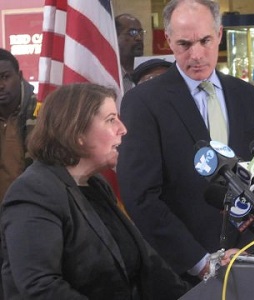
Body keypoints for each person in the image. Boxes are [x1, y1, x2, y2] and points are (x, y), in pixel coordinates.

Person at [117, 0, 254, 284]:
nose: (196, 54)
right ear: (168, 41)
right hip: (182, 274)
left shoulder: (246, 95)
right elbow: (141, 196)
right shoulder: (143, 102)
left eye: (205, 41)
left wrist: (248, 248)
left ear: (220, 35)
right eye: (185, 44)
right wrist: (199, 262)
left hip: (247, 260)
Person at [0, 83, 191, 299]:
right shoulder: (33, 192)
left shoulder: (95, 184)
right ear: (77, 131)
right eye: (111, 120)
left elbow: (148, 264)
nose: (123, 128)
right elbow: (40, 286)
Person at [0, 48, 37, 203]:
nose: (1, 85)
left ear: (20, 76)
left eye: (5, 77)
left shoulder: (41, 113)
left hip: (32, 209)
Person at [115, 14, 145, 93]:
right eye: (132, 32)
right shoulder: (107, 76)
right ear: (116, 37)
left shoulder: (148, 72)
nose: (139, 38)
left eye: (141, 32)